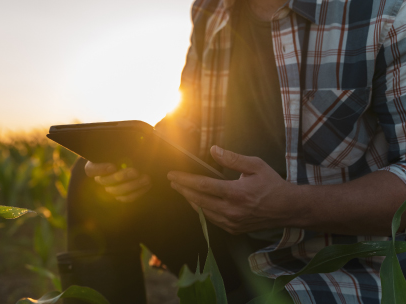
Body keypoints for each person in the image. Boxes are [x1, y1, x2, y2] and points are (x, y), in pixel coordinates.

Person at [57, 0, 406, 303]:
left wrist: (291, 207)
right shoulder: (210, 9)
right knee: (93, 185)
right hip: (230, 238)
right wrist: (139, 156)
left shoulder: (387, 13)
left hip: (343, 262)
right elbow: (190, 119)